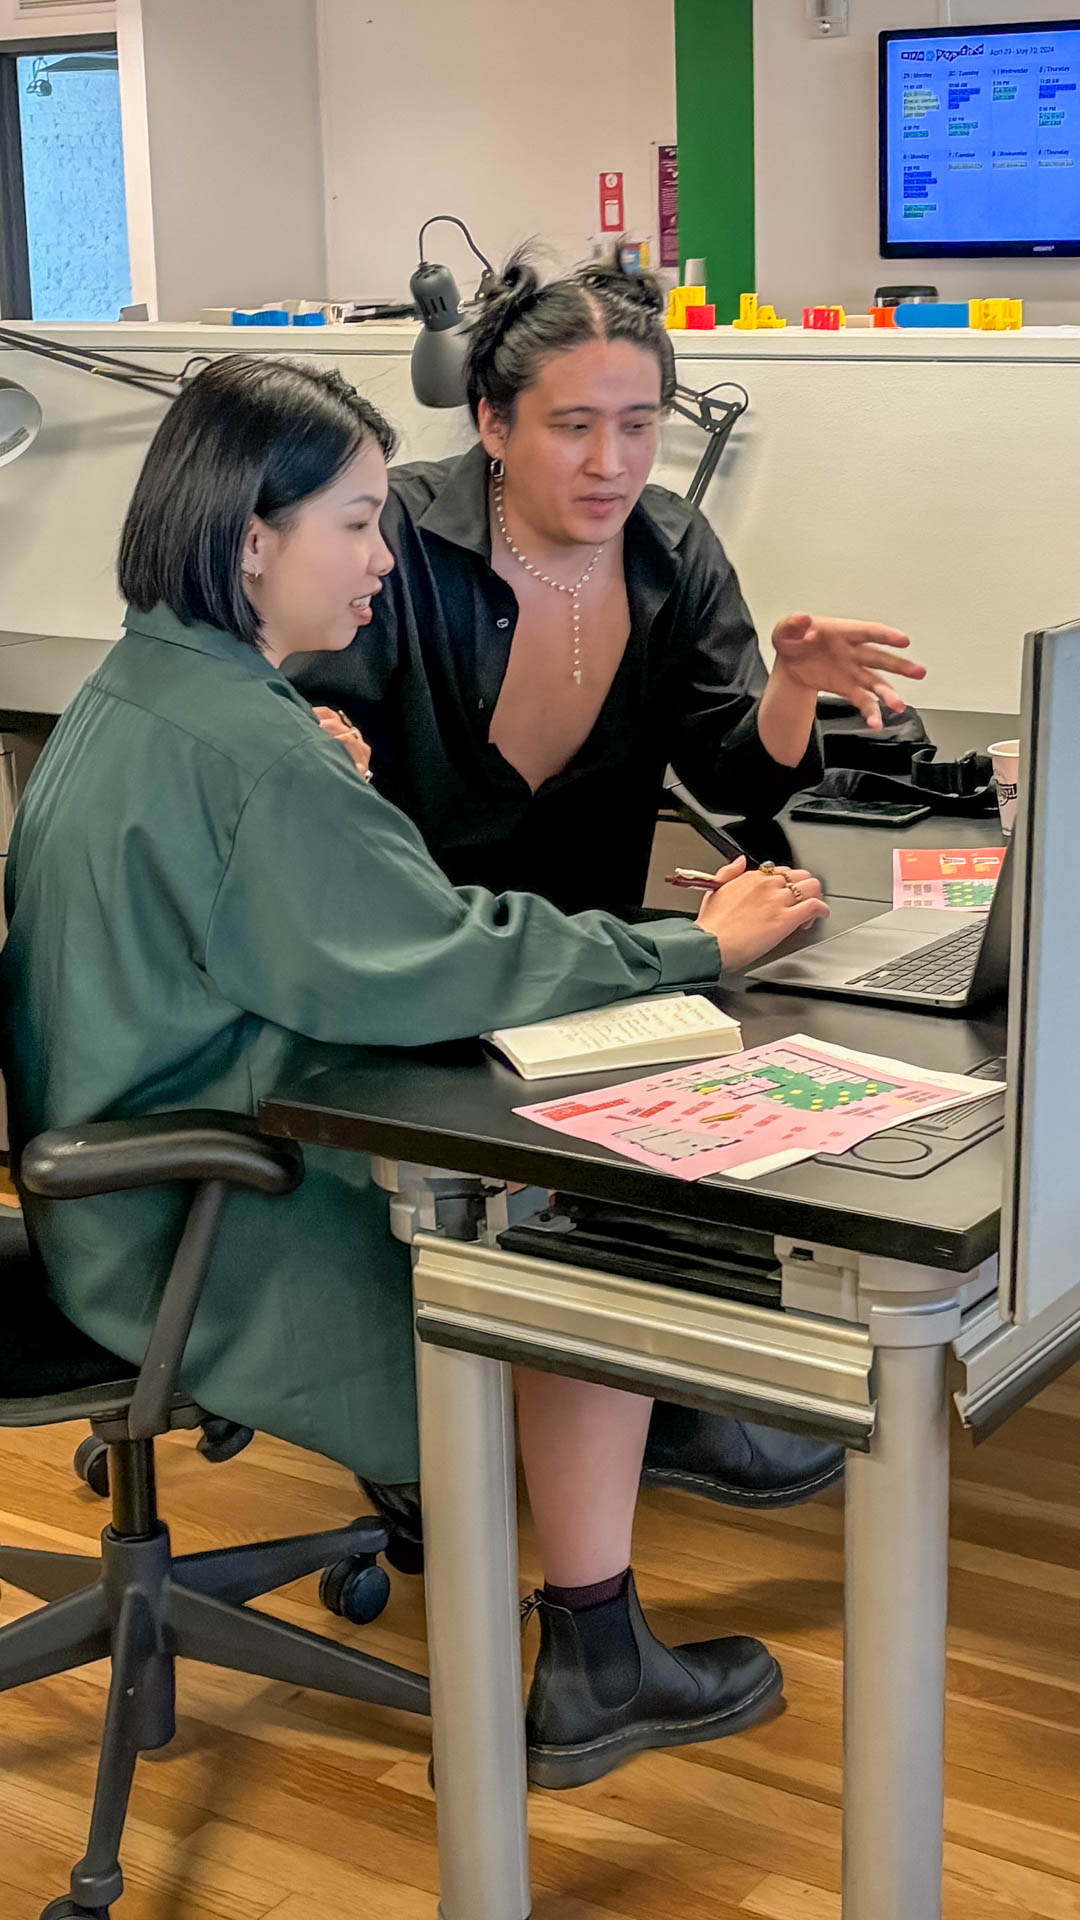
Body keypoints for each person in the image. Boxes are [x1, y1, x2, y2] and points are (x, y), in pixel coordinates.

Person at [0, 356, 829, 1790]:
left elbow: (329, 920)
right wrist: (692, 950)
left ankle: (631, 1495)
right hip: (195, 1229)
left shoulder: (148, 686)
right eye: (359, 523)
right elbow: (456, 953)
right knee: (589, 1210)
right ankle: (599, 1654)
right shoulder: (249, 750)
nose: (387, 559)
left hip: (124, 1174)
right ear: (250, 537)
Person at [291, 255, 927, 1511]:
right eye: (573, 426)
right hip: (414, 971)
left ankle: (662, 1395)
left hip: (577, 963)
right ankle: (492, 1415)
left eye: (638, 426)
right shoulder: (397, 541)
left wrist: (789, 686)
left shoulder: (670, 546)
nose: (611, 463)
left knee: (763, 1054)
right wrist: (307, 731)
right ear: (491, 423)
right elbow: (290, 700)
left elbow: (739, 777)